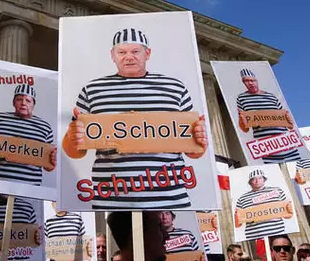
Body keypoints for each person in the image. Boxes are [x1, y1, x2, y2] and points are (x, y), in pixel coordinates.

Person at [62, 28, 209, 210]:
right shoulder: (92, 90)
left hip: (170, 200)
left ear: (147, 53)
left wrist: (200, 139)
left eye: (135, 51)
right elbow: (74, 152)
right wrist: (72, 136)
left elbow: (194, 151)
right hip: (111, 200)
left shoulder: (175, 88)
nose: (129, 57)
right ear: (112, 55)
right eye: (122, 52)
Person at [0, 84, 56, 186]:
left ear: (34, 104)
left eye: (28, 100)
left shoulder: (45, 128)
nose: (23, 103)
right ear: (13, 102)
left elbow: (49, 167)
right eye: (19, 99)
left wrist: (53, 160)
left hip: (30, 189)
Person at [235, 68, 300, 163]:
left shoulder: (271, 96)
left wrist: (290, 122)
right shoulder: (241, 98)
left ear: (256, 80)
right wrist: (241, 120)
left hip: (287, 144)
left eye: (252, 80)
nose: (250, 83)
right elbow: (245, 129)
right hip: (267, 147)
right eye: (246, 81)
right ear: (243, 82)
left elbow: (289, 125)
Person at [235, 168, 289, 240]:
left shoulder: (277, 191)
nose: (257, 181)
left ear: (264, 179)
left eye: (260, 178)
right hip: (255, 237)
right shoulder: (242, 198)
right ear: (250, 182)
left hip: (277, 234)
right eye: (254, 179)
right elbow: (237, 223)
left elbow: (288, 214)